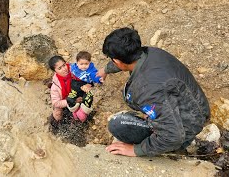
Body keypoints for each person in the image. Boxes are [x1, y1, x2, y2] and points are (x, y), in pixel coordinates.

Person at [96, 27, 210, 157]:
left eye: (112, 60)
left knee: (117, 124)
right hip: (196, 107)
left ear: (116, 61)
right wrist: (106, 70)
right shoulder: (151, 53)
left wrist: (136, 150)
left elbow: (173, 136)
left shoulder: (147, 89)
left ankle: (177, 148)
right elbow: (124, 60)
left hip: (188, 127)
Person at [48, 55, 91, 127]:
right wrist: (72, 100)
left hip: (78, 95)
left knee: (81, 115)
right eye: (59, 68)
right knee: (57, 116)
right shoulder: (55, 86)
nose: (64, 69)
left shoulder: (75, 70)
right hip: (65, 100)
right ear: (55, 71)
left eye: (64, 65)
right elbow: (56, 103)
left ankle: (79, 123)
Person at [67, 51, 102, 122]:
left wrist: (99, 79)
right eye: (81, 64)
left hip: (86, 86)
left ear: (90, 62)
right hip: (76, 87)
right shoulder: (73, 67)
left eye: (86, 64)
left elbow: (95, 75)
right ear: (77, 63)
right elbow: (67, 67)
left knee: (88, 99)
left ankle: (83, 114)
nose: (84, 66)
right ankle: (74, 111)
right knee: (70, 99)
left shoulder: (91, 70)